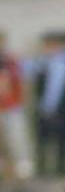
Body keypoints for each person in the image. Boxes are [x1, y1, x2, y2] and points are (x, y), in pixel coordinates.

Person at [33, 30, 65, 175]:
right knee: (42, 139)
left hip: (64, 108)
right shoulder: (43, 63)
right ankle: (42, 168)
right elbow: (40, 85)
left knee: (63, 139)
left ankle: (61, 168)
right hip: (45, 107)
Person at [0, 30, 35, 180]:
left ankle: (23, 167)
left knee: (18, 138)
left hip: (12, 106)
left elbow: (19, 82)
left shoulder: (11, 61)